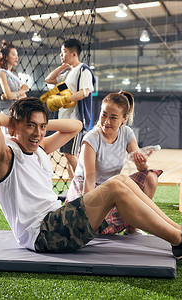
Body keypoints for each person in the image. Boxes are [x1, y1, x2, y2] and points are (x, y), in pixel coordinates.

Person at [0, 97, 182, 261]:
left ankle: (181, 230)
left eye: (42, 127)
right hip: (42, 234)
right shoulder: (5, 158)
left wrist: (37, 122)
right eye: (30, 126)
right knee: (116, 185)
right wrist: (16, 122)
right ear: (13, 128)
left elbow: (75, 125)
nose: (38, 133)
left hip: (59, 220)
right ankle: (178, 241)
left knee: (125, 181)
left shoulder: (39, 148)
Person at [66, 91, 162, 235]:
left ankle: (132, 228)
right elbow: (89, 182)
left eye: (113, 117)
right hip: (89, 189)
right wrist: (91, 214)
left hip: (112, 188)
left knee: (150, 177)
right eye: (104, 114)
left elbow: (142, 169)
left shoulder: (127, 133)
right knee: (97, 229)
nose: (106, 121)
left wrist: (142, 162)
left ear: (124, 119)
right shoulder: (91, 138)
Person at [43, 38, 95, 180]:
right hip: (64, 119)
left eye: (64, 52)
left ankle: (83, 183)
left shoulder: (83, 70)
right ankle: (74, 187)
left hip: (76, 120)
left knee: (70, 154)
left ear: (73, 53)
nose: (61, 55)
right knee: (67, 155)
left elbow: (84, 92)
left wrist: (65, 99)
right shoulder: (68, 73)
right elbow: (48, 79)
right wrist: (63, 66)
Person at [0, 40, 29, 115]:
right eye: (13, 55)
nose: (17, 57)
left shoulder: (12, 75)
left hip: (17, 111)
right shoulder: (1, 73)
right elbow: (8, 95)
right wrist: (22, 91)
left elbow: (24, 96)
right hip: (7, 113)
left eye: (17, 55)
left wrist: (14, 95)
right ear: (6, 57)